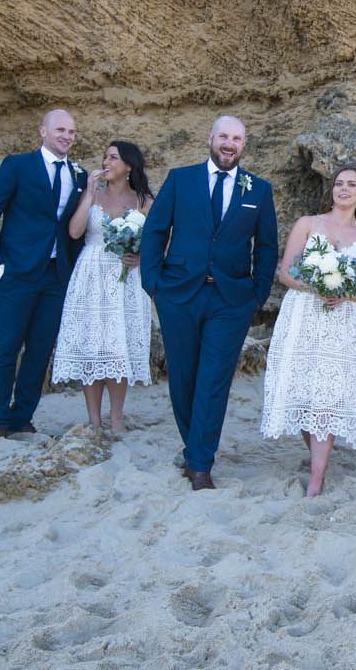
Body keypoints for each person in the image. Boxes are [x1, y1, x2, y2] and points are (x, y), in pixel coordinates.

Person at [140, 116, 278, 491]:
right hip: (178, 293)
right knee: (183, 377)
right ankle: (193, 447)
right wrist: (152, 283)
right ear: (210, 139)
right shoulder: (179, 179)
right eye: (223, 137)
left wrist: (256, 295)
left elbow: (267, 249)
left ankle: (200, 462)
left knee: (214, 381)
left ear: (243, 144)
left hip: (231, 300)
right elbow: (155, 231)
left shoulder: (258, 190)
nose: (229, 144)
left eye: (236, 138)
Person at [261, 164, 356, 496]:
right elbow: (286, 273)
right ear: (332, 190)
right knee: (302, 394)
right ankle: (317, 457)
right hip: (302, 314)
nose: (344, 189)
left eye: (352, 184)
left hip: (342, 323)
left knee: (326, 399)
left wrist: (343, 293)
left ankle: (316, 478)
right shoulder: (308, 224)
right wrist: (317, 287)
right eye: (339, 183)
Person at [0, 109, 88, 437]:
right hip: (16, 273)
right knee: (7, 346)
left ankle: (22, 416)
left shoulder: (78, 176)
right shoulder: (17, 166)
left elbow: (72, 228)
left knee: (39, 350)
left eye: (72, 131)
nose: (67, 135)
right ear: (43, 131)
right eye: (60, 129)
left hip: (55, 276)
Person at [51, 141, 155, 434]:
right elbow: (74, 231)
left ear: (129, 166)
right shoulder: (93, 195)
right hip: (91, 275)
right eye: (104, 157)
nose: (106, 162)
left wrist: (141, 256)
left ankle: (117, 417)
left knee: (117, 345)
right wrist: (88, 193)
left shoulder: (144, 201)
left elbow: (159, 241)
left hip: (126, 277)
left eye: (113, 157)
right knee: (91, 346)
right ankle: (94, 419)